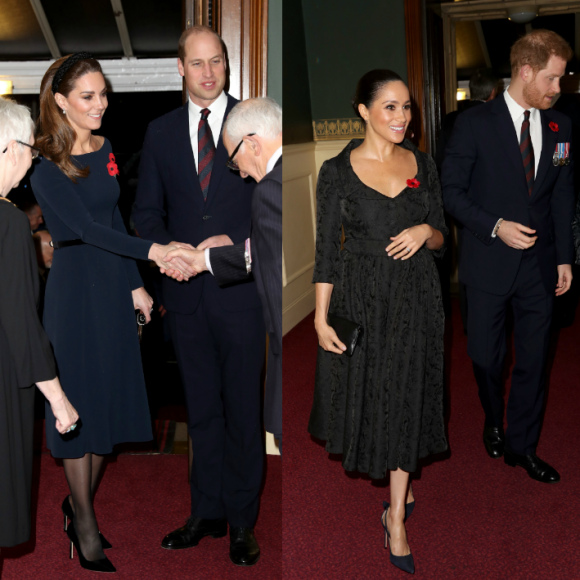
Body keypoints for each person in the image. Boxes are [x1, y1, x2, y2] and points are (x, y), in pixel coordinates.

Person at [30, 53, 191, 573]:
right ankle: (84, 521)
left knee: (105, 404)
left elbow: (115, 214)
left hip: (111, 287)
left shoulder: (106, 148)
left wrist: (135, 289)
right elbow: (83, 229)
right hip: (74, 294)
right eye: (88, 96)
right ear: (60, 101)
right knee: (77, 408)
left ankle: (75, 506)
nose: (100, 105)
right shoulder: (43, 165)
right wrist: (154, 254)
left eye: (104, 95)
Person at [131, 26, 266, 567]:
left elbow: (271, 203)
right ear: (180, 69)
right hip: (184, 296)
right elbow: (145, 212)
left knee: (242, 410)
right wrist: (164, 253)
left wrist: (232, 244)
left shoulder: (256, 123)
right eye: (197, 63)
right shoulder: (160, 133)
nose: (208, 73)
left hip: (240, 291)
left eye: (217, 62)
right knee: (202, 412)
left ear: (227, 66)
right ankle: (205, 512)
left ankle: (241, 522)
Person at [307, 70, 448, 575]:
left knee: (408, 394)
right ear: (363, 110)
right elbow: (325, 252)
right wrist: (321, 319)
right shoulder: (336, 171)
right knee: (377, 396)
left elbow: (442, 238)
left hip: (417, 298)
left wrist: (425, 228)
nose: (402, 117)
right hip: (363, 297)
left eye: (406, 107)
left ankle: (396, 518)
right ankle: (396, 495)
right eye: (389, 107)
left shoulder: (423, 164)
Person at [442, 30, 574, 484]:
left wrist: (565, 258)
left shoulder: (560, 126)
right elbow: (451, 194)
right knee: (485, 358)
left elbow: (562, 195)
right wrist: (496, 226)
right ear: (525, 72)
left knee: (535, 362)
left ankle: (521, 446)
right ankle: (492, 416)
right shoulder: (474, 125)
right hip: (487, 265)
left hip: (541, 267)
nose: (559, 89)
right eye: (553, 79)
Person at [164, 96, 283, 451]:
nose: (242, 173)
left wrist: (204, 262)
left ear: (252, 143)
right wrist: (209, 258)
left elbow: (269, 265)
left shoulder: (269, 188)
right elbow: (266, 252)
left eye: (234, 162)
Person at [0, 97, 78, 553]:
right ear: (10, 148)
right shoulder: (9, 223)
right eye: (30, 148)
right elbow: (20, 324)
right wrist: (59, 399)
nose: (32, 159)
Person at [435, 68, 499, 333]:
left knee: (462, 257)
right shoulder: (494, 118)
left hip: (451, 198)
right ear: (494, 92)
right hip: (486, 203)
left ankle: (468, 318)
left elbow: (439, 160)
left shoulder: (450, 119)